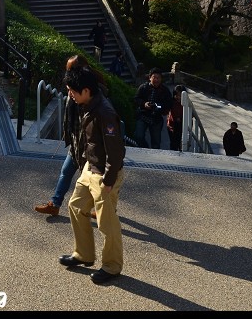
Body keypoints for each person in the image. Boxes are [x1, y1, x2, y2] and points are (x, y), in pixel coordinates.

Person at [58, 66, 125, 285]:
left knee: (106, 223)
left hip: (105, 174)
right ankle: (84, 254)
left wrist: (108, 180)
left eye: (72, 91)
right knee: (76, 206)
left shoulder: (104, 113)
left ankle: (112, 266)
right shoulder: (86, 104)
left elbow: (116, 152)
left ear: (86, 90)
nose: (70, 94)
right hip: (90, 167)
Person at [34, 55, 104, 219]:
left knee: (93, 181)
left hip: (89, 144)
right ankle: (55, 204)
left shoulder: (91, 89)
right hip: (75, 142)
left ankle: (106, 208)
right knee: (66, 172)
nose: (68, 73)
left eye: (71, 69)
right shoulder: (73, 86)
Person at [133, 67, 173, 149]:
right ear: (150, 77)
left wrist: (158, 106)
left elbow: (168, 104)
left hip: (156, 119)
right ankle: (145, 149)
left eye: (158, 78)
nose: (156, 80)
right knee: (138, 137)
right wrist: (144, 104)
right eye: (154, 77)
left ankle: (154, 159)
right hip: (143, 116)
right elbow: (136, 98)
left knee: (156, 143)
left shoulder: (165, 90)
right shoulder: (143, 87)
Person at [167, 85, 185, 152]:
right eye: (176, 95)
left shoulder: (186, 104)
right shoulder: (172, 102)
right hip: (172, 125)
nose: (178, 97)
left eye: (180, 96)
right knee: (173, 143)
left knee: (179, 142)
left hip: (181, 125)